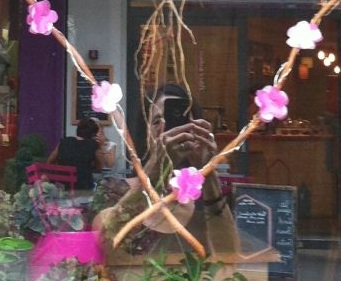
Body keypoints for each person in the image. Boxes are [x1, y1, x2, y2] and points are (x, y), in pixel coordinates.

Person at [92, 83, 240, 257]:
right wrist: (153, 173)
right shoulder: (113, 190)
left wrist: (208, 172)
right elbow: (105, 246)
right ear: (146, 134)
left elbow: (229, 258)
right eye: (156, 122)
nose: (168, 130)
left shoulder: (207, 196)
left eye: (182, 123)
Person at [47, 118, 102, 190]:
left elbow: (50, 161)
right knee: (100, 178)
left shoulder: (64, 142)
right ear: (93, 134)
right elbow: (99, 167)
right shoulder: (93, 145)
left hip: (62, 186)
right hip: (83, 186)